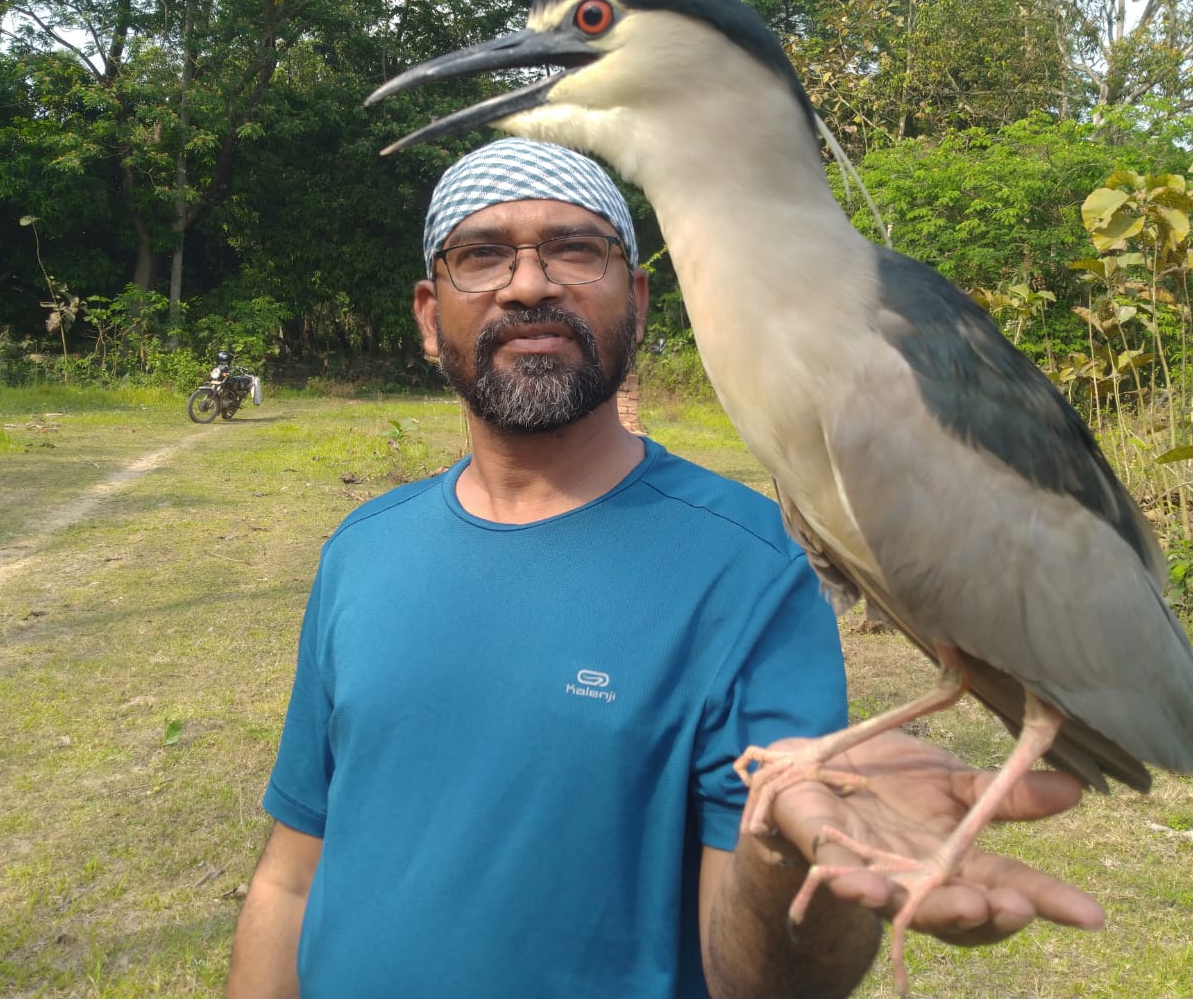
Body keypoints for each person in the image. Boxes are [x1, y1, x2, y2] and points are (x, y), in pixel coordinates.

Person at [226, 137, 1102, 999]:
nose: (529, 284)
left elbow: (755, 980)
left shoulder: (752, 568)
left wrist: (785, 849)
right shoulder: (362, 549)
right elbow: (289, 878)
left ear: (638, 301)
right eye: (482, 255)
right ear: (427, 315)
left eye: (576, 249)